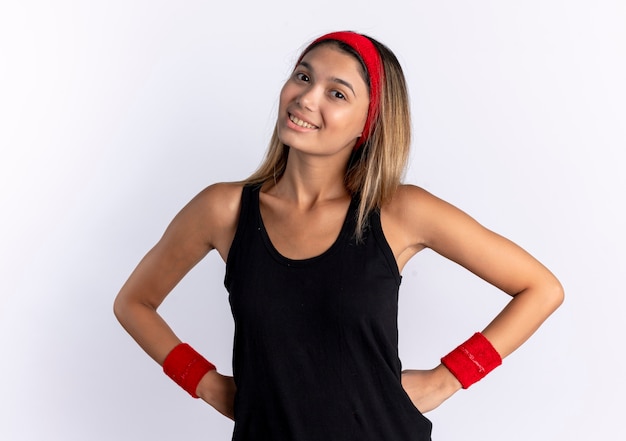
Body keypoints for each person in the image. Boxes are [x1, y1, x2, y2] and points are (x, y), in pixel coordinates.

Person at [113, 31, 564, 440]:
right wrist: (206, 384)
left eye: (336, 93)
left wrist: (445, 379)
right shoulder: (223, 210)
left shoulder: (398, 211)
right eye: (303, 77)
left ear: (368, 122)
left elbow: (541, 288)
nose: (307, 99)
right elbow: (133, 303)